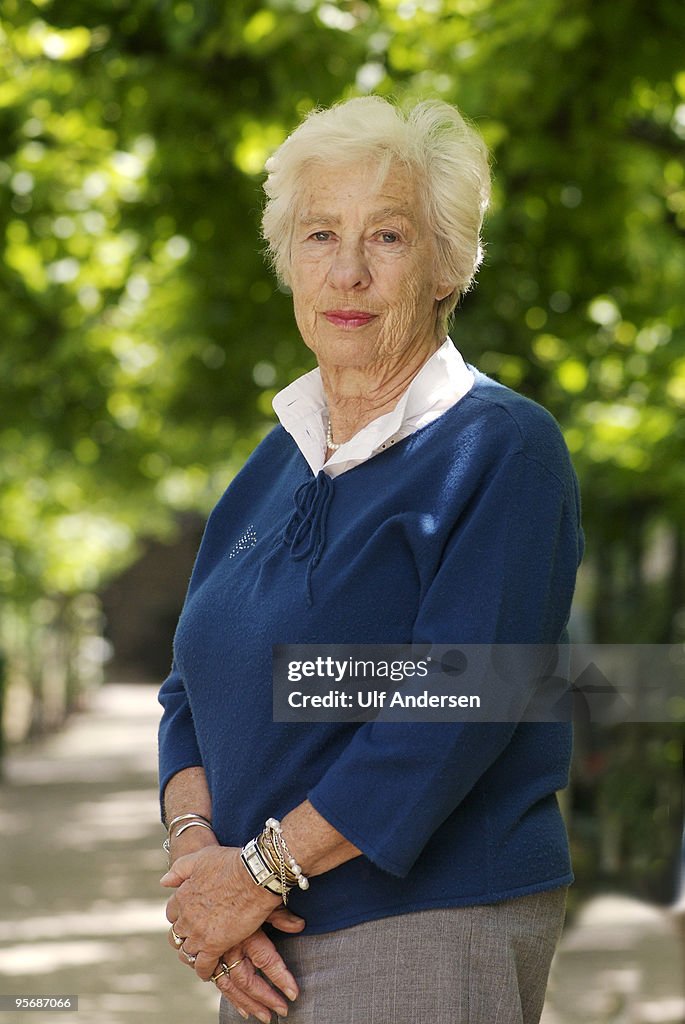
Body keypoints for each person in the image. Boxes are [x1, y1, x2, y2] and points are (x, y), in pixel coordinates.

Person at [158, 95, 584, 1024]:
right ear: (289, 262)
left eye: (386, 237)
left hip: (425, 925)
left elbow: (453, 707)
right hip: (258, 937)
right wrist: (202, 863)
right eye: (319, 235)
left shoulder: (500, 447)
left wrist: (258, 871)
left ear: (445, 267)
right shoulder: (275, 460)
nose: (346, 271)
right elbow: (189, 691)